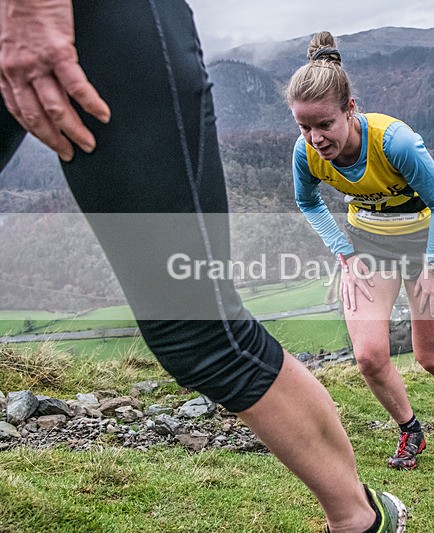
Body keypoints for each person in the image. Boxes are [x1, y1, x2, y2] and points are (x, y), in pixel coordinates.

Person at [0, 3, 406, 532]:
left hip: (98, 22)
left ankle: (358, 518)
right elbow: (309, 202)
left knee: (195, 326)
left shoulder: (394, 143)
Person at [286, 31, 434, 470]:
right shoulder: (305, 154)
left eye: (324, 124)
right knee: (367, 357)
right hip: (368, 248)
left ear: (350, 108)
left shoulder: (393, 141)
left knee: (430, 356)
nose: (315, 138)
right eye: (304, 127)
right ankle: (409, 430)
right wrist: (343, 253)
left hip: (427, 245)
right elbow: (307, 201)